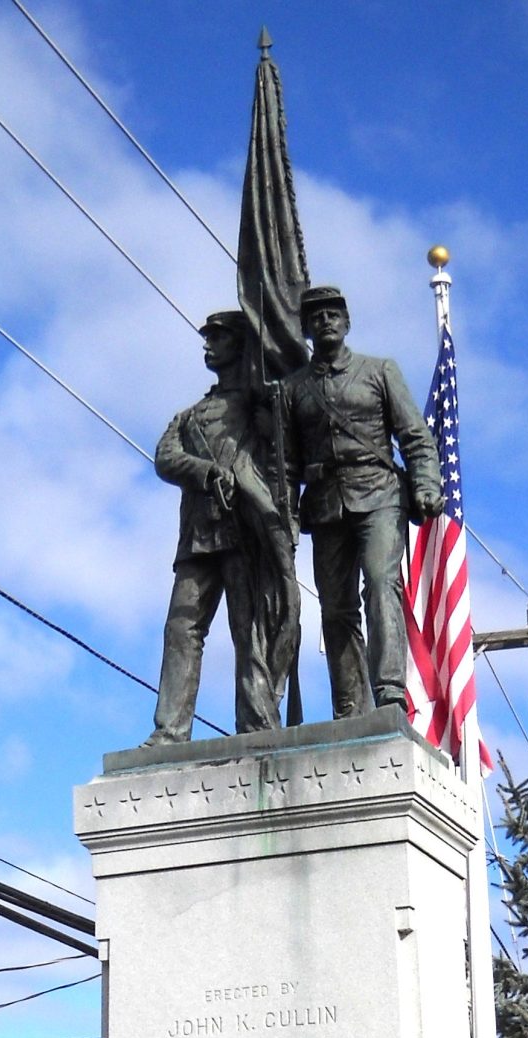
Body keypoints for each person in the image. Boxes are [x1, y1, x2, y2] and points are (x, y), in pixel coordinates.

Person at [282, 285, 443, 715]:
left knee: (380, 584)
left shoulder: (379, 370)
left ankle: (389, 689)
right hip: (326, 505)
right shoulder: (293, 389)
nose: (326, 321)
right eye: (316, 317)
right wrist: (284, 514)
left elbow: (414, 435)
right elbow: (287, 463)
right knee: (335, 607)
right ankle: (350, 703)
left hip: (380, 494)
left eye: (333, 314)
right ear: (306, 328)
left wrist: (426, 483)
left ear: (347, 322)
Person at [145, 310, 298, 744]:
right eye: (207, 338)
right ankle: (170, 731)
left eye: (218, 338)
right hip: (198, 535)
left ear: (241, 344)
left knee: (248, 629)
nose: (208, 345)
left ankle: (256, 723)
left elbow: (282, 455)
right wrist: (207, 471)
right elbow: (165, 458)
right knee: (181, 627)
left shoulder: (258, 406)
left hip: (243, 531)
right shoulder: (189, 416)